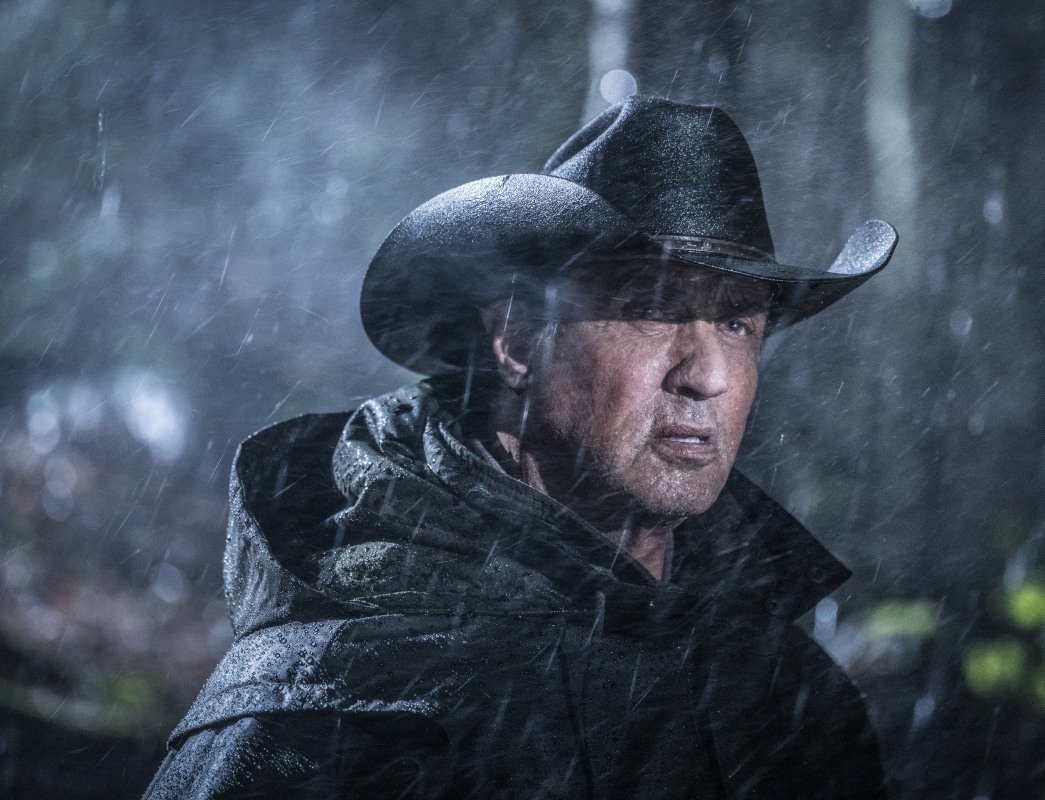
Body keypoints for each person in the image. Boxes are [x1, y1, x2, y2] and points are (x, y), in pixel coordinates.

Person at [143, 95, 898, 799]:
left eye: (736, 324)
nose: (707, 375)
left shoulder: (786, 696)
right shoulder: (336, 696)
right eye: (651, 310)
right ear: (515, 340)